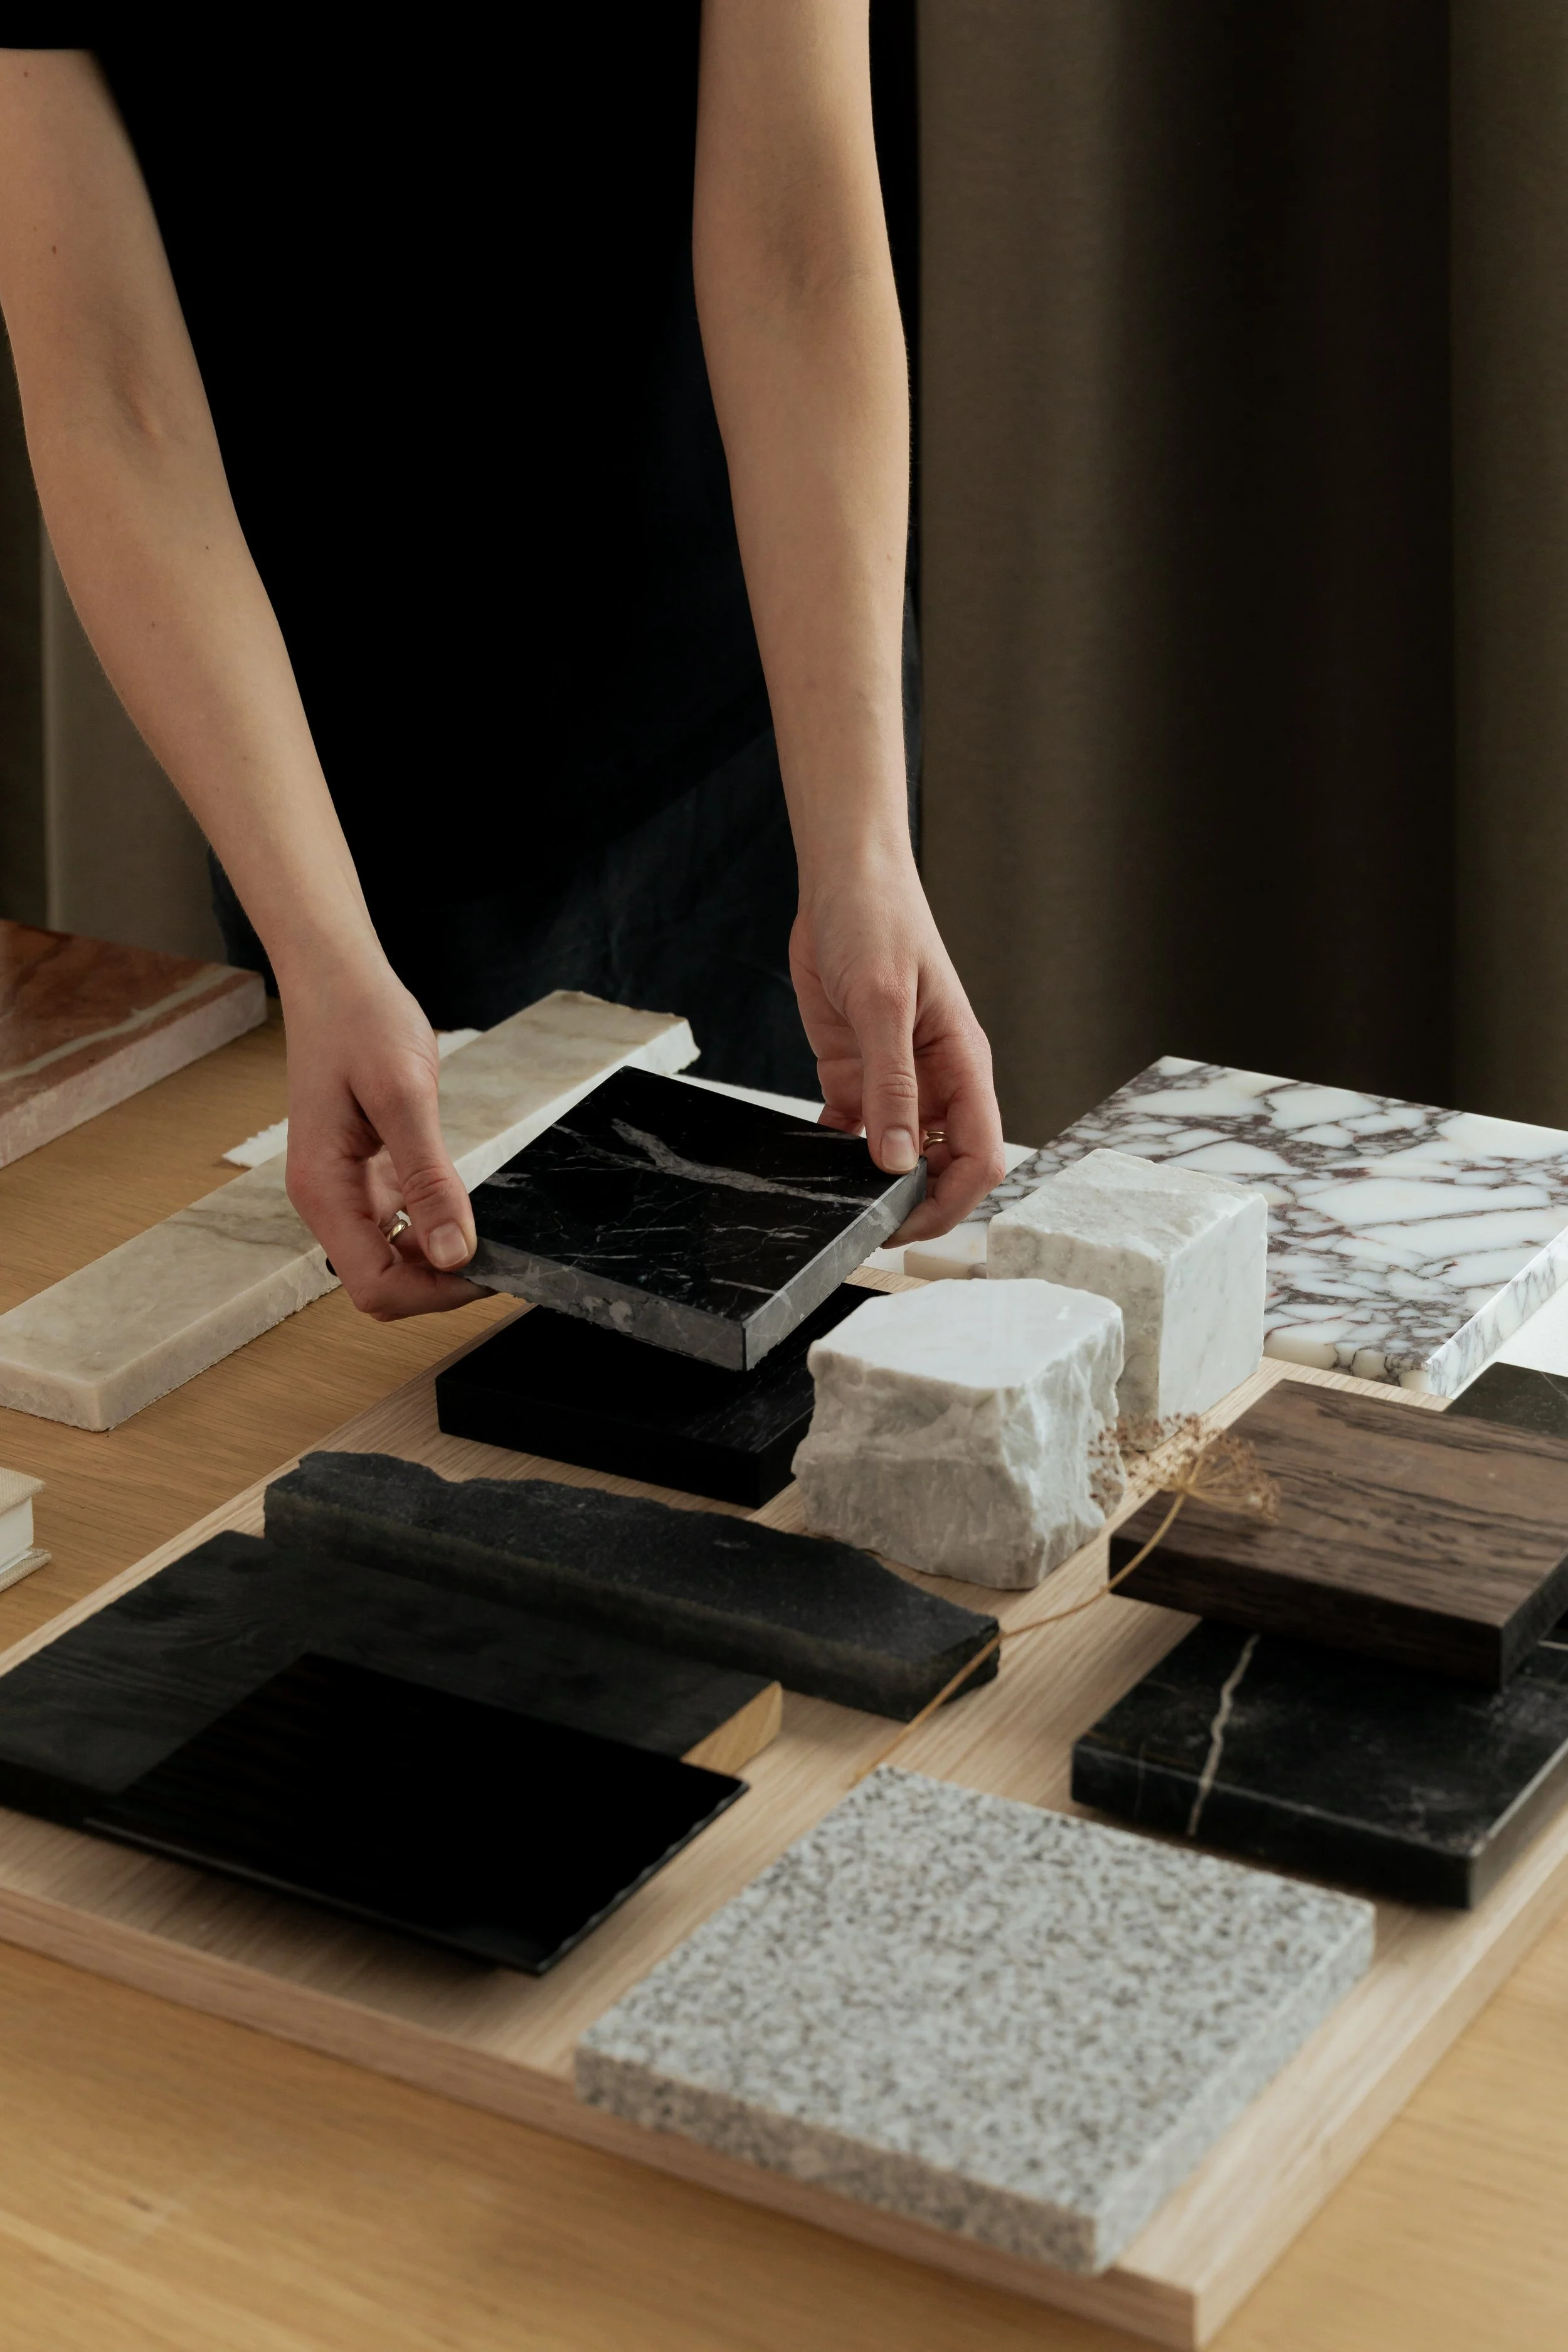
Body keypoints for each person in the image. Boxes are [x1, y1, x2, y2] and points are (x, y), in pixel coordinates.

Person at [0, 11, 1004, 1322]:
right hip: (334, 779)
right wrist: (322, 947)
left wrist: (861, 853)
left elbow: (798, 251)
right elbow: (109, 390)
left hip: (753, 712)